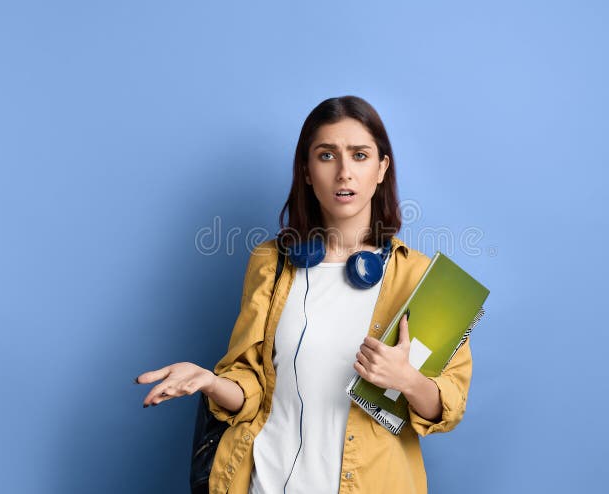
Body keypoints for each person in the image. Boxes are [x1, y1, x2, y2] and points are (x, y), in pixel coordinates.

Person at [135, 95, 473, 493]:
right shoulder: (270, 263)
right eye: (327, 155)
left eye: (360, 155)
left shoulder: (424, 280)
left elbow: (447, 407)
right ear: (307, 171)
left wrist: (407, 380)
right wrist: (209, 382)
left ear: (382, 168)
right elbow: (250, 387)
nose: (344, 172)